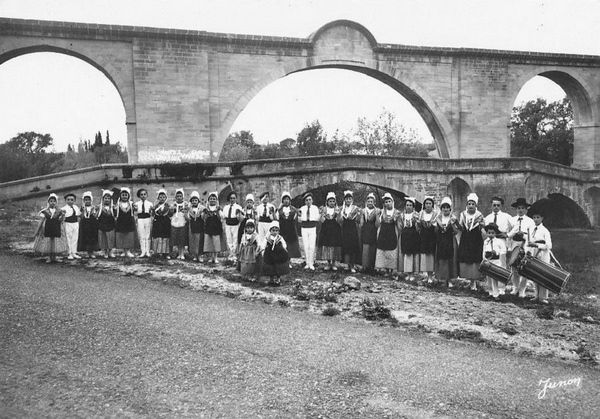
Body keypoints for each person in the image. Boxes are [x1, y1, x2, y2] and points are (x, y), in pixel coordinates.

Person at [507, 198, 536, 297]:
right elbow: (508, 235)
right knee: (514, 267)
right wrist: (509, 247)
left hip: (525, 245)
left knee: (524, 267)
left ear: (526, 209)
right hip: (515, 244)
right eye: (519, 208)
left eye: (523, 208)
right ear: (516, 209)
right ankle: (515, 287)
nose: (520, 210)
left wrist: (523, 236)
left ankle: (522, 290)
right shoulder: (511, 220)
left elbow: (532, 236)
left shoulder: (530, 221)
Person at [484, 196, 512, 294]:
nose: (496, 207)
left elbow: (514, 227)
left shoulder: (506, 216)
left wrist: (507, 234)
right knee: (489, 265)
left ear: (501, 206)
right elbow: (485, 232)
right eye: (494, 205)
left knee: (501, 265)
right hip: (490, 243)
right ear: (491, 206)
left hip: (501, 243)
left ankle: (501, 288)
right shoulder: (487, 218)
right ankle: (490, 288)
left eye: (498, 205)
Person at [457, 193, 484, 290]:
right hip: (466, 238)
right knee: (466, 258)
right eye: (469, 204)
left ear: (476, 205)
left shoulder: (479, 215)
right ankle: (469, 280)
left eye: (473, 204)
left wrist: (482, 225)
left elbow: (482, 228)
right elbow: (460, 227)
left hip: (475, 239)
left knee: (475, 259)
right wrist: (456, 224)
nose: (471, 206)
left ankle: (474, 282)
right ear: (467, 205)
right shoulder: (463, 214)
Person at [526, 208, 553, 304]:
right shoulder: (532, 229)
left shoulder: (545, 231)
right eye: (534, 217)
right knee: (535, 275)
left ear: (542, 218)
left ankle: (543, 297)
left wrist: (537, 245)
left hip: (543, 255)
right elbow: (528, 243)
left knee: (543, 275)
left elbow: (549, 245)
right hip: (534, 254)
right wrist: (528, 251)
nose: (536, 219)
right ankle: (536, 295)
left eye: (538, 217)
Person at [33, 193, 67, 263]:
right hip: (48, 228)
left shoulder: (59, 211)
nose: (52, 203)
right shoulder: (45, 211)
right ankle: (49, 257)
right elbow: (41, 221)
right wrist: (37, 231)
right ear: (48, 202)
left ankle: (54, 257)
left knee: (55, 242)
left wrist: (63, 216)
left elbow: (61, 220)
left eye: (54, 201)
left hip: (56, 228)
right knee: (48, 242)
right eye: (51, 201)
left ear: (56, 202)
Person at [435, 197, 459, 287]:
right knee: (442, 260)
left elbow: (457, 231)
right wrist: (439, 228)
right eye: (443, 207)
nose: (445, 209)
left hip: (451, 240)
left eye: (447, 207)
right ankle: (443, 279)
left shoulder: (453, 218)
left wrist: (452, 225)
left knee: (451, 260)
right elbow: (435, 231)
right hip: (441, 240)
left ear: (450, 209)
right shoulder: (438, 218)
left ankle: (450, 279)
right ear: (441, 209)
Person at [375, 192, 401, 277]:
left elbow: (399, 225)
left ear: (392, 202)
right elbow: (377, 224)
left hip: (392, 232)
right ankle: (385, 269)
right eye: (386, 202)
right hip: (383, 232)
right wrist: (377, 216)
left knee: (391, 250)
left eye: (389, 201)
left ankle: (391, 269)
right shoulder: (381, 212)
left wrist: (397, 220)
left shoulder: (396, 212)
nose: (387, 203)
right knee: (384, 250)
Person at [482, 223, 507, 299]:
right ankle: (490, 292)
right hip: (488, 261)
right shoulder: (486, 241)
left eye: (492, 233)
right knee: (488, 278)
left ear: (496, 233)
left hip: (496, 261)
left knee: (494, 278)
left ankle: (496, 294)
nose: (491, 235)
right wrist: (484, 259)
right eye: (489, 233)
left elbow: (504, 250)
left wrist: (496, 252)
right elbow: (483, 251)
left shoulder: (499, 241)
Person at [338, 190, 361, 273]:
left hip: (353, 228)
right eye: (347, 199)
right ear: (344, 200)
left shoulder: (355, 208)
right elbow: (339, 220)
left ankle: (352, 265)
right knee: (346, 246)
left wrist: (357, 215)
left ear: (352, 200)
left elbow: (358, 220)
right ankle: (347, 264)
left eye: (350, 199)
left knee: (353, 246)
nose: (348, 200)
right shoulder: (342, 209)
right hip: (345, 228)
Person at [319, 192, 342, 271]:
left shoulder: (337, 209)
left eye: (333, 201)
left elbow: (340, 221)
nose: (332, 203)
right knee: (327, 245)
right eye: (330, 201)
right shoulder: (324, 209)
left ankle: (334, 263)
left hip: (335, 229)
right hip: (326, 229)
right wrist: (323, 215)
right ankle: (328, 263)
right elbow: (321, 220)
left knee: (334, 245)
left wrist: (337, 215)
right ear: (327, 202)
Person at [261, 221, 290, 285]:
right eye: (273, 230)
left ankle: (278, 279)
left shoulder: (280, 238)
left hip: (278, 254)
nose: (275, 232)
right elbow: (263, 244)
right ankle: (271, 279)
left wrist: (283, 248)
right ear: (270, 231)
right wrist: (263, 249)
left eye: (276, 231)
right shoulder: (267, 238)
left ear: (278, 231)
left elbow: (284, 244)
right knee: (270, 267)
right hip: (270, 255)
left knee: (278, 267)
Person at [277, 191, 301, 264]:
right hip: (283, 229)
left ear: (290, 200)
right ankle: (283, 261)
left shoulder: (293, 209)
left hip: (291, 230)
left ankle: (289, 261)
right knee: (283, 245)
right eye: (285, 199)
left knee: (290, 245)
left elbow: (297, 218)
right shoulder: (279, 210)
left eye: (288, 199)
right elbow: (277, 219)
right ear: (282, 201)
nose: (286, 201)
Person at [399, 197, 420, 281]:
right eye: (407, 205)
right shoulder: (402, 215)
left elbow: (418, 228)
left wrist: (416, 222)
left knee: (413, 253)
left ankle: (413, 273)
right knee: (407, 254)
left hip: (413, 234)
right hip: (405, 234)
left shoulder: (416, 215)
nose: (408, 207)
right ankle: (408, 273)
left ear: (413, 207)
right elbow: (400, 226)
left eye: (410, 205)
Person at [359, 193, 380, 273]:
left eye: (371, 201)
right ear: (366, 202)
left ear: (374, 202)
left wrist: (377, 215)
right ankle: (364, 266)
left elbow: (378, 225)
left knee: (372, 248)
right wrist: (361, 216)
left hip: (373, 230)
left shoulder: (377, 210)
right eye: (368, 201)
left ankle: (371, 266)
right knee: (365, 248)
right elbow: (361, 224)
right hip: (365, 230)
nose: (370, 203)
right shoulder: (363, 211)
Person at [418, 196, 437, 282]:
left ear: (432, 205)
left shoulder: (435, 214)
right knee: (424, 255)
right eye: (426, 203)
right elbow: (418, 226)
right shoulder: (421, 213)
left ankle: (430, 276)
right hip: (423, 236)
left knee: (431, 255)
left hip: (432, 237)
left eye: (430, 203)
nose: (428, 205)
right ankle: (425, 275)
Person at [298, 192, 319, 271]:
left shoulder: (315, 208)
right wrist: (300, 216)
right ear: (305, 201)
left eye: (310, 200)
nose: (308, 201)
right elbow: (299, 220)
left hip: (312, 227)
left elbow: (317, 218)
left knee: (312, 246)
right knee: (306, 246)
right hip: (304, 228)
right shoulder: (302, 208)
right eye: (306, 200)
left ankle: (311, 263)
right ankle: (307, 263)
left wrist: (310, 218)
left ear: (312, 200)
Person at [114, 187, 136, 258]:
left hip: (129, 221)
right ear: (120, 196)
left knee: (129, 237)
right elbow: (115, 213)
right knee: (122, 236)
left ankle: (128, 251)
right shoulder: (118, 204)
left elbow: (135, 211)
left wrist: (135, 208)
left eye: (126, 195)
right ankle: (124, 251)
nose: (124, 196)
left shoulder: (131, 204)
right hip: (121, 222)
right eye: (123, 195)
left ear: (128, 196)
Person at [222, 191, 243, 261]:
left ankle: (234, 254)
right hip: (228, 225)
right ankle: (230, 254)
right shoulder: (226, 207)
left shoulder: (238, 207)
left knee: (235, 239)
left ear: (236, 199)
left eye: (234, 198)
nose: (232, 200)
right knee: (229, 240)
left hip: (235, 225)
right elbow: (224, 217)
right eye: (231, 198)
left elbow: (241, 218)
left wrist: (239, 214)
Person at [203, 191, 223, 264]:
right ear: (208, 200)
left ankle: (216, 257)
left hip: (216, 227)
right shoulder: (206, 209)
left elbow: (221, 216)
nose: (212, 200)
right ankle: (211, 257)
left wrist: (218, 213)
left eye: (214, 199)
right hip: (209, 227)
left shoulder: (218, 209)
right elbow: (203, 217)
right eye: (211, 199)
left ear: (216, 200)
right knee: (210, 242)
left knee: (216, 242)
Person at [78, 191, 99, 258]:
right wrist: (83, 211)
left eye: (88, 200)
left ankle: (92, 252)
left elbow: (96, 216)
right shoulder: (82, 208)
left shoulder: (93, 207)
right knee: (85, 237)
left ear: (91, 200)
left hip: (92, 224)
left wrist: (94, 213)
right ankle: (87, 252)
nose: (87, 201)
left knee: (92, 238)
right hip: (84, 224)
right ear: (83, 201)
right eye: (86, 200)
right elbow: (80, 216)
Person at [97, 189, 116, 259]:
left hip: (110, 225)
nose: (107, 200)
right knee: (104, 239)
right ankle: (105, 251)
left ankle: (110, 251)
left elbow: (115, 215)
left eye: (108, 198)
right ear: (103, 199)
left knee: (110, 238)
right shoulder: (100, 207)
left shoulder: (113, 207)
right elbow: (97, 216)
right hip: (102, 225)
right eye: (105, 198)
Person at [152, 189, 171, 259]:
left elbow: (170, 214)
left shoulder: (168, 206)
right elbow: (153, 214)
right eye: (160, 197)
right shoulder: (156, 206)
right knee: (159, 236)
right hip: (158, 223)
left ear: (166, 198)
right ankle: (159, 252)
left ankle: (166, 253)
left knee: (165, 237)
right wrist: (152, 210)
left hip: (166, 223)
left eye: (163, 197)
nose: (162, 198)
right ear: (158, 198)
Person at [134, 188, 153, 258]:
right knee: (141, 235)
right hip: (140, 219)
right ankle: (143, 251)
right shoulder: (136, 204)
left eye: (144, 194)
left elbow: (152, 213)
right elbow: (135, 213)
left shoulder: (150, 203)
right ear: (139, 196)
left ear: (147, 195)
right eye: (141, 194)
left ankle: (147, 251)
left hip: (147, 219)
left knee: (147, 235)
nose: (143, 196)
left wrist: (152, 210)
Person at [170, 188, 189, 260]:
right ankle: (179, 253)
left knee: (182, 238)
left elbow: (187, 212)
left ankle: (182, 253)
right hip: (175, 222)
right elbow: (171, 213)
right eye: (177, 196)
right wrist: (172, 209)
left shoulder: (185, 204)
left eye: (180, 196)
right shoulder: (173, 204)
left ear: (182, 197)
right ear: (175, 197)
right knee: (178, 238)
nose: (179, 198)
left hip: (182, 221)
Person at [187, 191, 205, 262]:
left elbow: (204, 217)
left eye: (196, 200)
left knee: (199, 241)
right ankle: (194, 255)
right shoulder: (189, 209)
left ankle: (200, 255)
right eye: (193, 200)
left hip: (199, 226)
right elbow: (188, 217)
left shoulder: (202, 208)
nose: (194, 202)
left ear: (198, 201)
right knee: (192, 240)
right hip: (192, 226)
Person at [62, 193, 81, 260]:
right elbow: (62, 218)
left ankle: (74, 252)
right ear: (65, 200)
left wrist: (78, 223)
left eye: (72, 200)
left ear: (74, 200)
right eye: (68, 199)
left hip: (75, 224)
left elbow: (78, 215)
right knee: (68, 238)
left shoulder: (76, 207)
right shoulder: (64, 208)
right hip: (68, 224)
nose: (70, 201)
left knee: (75, 238)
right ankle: (69, 253)